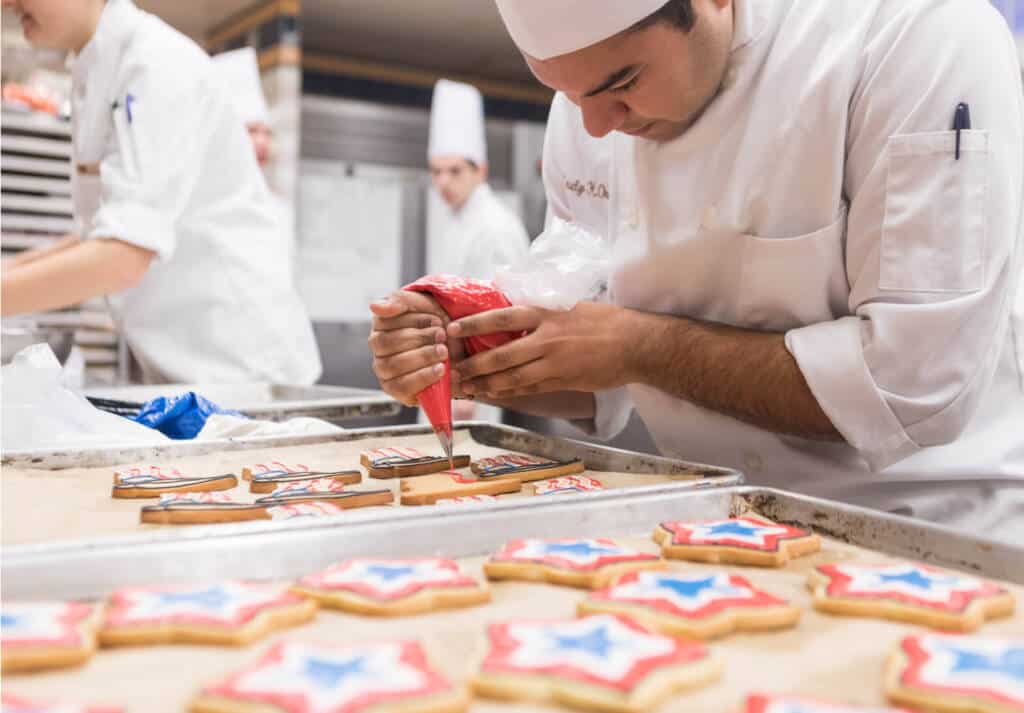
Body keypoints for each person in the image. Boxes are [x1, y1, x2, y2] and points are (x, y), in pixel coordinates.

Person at [369, 0, 1024, 543]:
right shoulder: (587, 111)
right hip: (704, 527)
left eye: (621, 83)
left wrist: (639, 346)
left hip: (920, 535)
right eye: (566, 96)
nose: (596, 127)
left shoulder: (913, 38)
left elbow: (912, 385)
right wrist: (458, 356)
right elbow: (595, 380)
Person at [2, 0, 322, 385]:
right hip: (191, 370)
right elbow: (102, 233)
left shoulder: (155, 66)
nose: (6, 2)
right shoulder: (99, 70)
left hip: (242, 373)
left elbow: (122, 256)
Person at [424, 78, 530, 421]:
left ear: (480, 170)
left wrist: (471, 383)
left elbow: (498, 319)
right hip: (445, 374)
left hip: (471, 390)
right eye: (436, 171)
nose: (443, 182)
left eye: (454, 171)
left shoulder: (494, 226)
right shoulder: (454, 220)